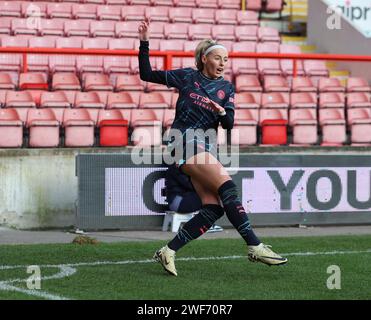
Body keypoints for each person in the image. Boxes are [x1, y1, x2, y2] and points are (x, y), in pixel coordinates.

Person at [138, 18, 287, 276]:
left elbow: (229, 125)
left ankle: (168, 251)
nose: (222, 64)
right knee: (227, 186)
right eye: (218, 58)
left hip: (205, 145)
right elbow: (146, 74)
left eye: (226, 60)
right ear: (205, 59)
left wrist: (221, 113)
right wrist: (144, 42)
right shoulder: (187, 76)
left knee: (215, 207)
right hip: (183, 140)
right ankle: (254, 245)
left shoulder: (226, 88)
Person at [165, 164, 223, 232]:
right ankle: (205, 225)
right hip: (178, 202)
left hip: (180, 200)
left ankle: (206, 223)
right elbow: (191, 185)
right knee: (207, 196)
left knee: (208, 194)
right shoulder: (176, 168)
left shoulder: (184, 167)